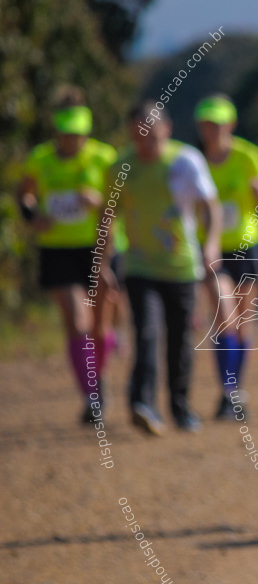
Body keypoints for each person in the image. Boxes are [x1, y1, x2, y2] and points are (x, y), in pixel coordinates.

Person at [105, 100, 221, 434]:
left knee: (181, 339)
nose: (146, 144)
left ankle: (180, 406)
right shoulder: (121, 167)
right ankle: (143, 405)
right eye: (139, 137)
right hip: (140, 266)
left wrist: (210, 243)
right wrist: (102, 262)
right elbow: (108, 218)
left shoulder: (185, 162)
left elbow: (208, 205)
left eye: (152, 136)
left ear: (166, 130)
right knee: (147, 333)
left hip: (182, 267)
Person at [17, 86, 120, 424]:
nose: (72, 141)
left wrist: (100, 204)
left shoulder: (104, 158)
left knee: (98, 327)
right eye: (67, 135)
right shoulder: (41, 159)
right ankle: (92, 395)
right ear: (58, 132)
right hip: (58, 250)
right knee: (77, 322)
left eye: (78, 135)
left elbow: (120, 208)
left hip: (96, 248)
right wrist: (34, 217)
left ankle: (97, 380)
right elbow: (25, 195)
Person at [193, 94, 258, 420]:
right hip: (210, 247)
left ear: (231, 124)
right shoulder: (193, 159)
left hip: (246, 246)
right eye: (206, 124)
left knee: (242, 323)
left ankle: (234, 392)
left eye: (217, 123)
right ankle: (228, 390)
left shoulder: (247, 155)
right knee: (224, 317)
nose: (211, 130)